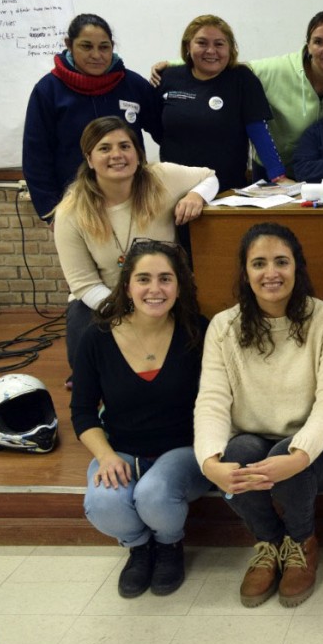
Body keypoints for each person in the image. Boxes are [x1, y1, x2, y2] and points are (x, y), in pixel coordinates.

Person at [193, 222, 323, 608]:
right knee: (235, 456)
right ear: (245, 272)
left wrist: (298, 456)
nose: (271, 273)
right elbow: (212, 400)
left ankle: (301, 542)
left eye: (281, 262)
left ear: (297, 268)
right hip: (254, 439)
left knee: (285, 454)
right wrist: (209, 462)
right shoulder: (223, 327)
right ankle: (268, 540)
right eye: (259, 263)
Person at [71, 239, 210, 599]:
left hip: (185, 451)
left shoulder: (199, 330)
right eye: (144, 279)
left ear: (179, 286)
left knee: (154, 495)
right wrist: (105, 456)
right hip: (123, 451)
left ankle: (168, 545)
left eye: (165, 279)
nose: (155, 289)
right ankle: (139, 547)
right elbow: (83, 411)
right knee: (103, 504)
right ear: (128, 286)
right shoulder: (96, 339)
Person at [53, 116, 217, 374]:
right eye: (104, 148)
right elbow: (84, 284)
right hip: (104, 298)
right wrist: (130, 312)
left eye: (125, 146)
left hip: (162, 290)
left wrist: (196, 195)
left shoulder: (161, 177)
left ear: (138, 154)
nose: (117, 155)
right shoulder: (70, 212)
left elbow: (210, 177)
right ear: (89, 159)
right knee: (85, 340)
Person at [153, 10, 323, 180]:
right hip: (275, 173)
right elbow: (228, 64)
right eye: (318, 41)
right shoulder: (279, 68)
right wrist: (176, 66)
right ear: (307, 45)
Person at [23, 14, 162, 221]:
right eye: (86, 46)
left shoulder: (133, 85)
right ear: (69, 45)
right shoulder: (48, 91)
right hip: (76, 206)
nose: (96, 55)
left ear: (112, 47)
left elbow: (167, 132)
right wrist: (51, 213)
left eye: (104, 47)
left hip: (132, 201)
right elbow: (36, 157)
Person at [159, 15, 285, 191]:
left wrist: (278, 175)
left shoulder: (242, 79)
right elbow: (156, 127)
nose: (211, 51)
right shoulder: (169, 77)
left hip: (224, 190)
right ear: (188, 46)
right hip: (173, 188)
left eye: (219, 44)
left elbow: (259, 133)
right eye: (202, 43)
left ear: (230, 49)